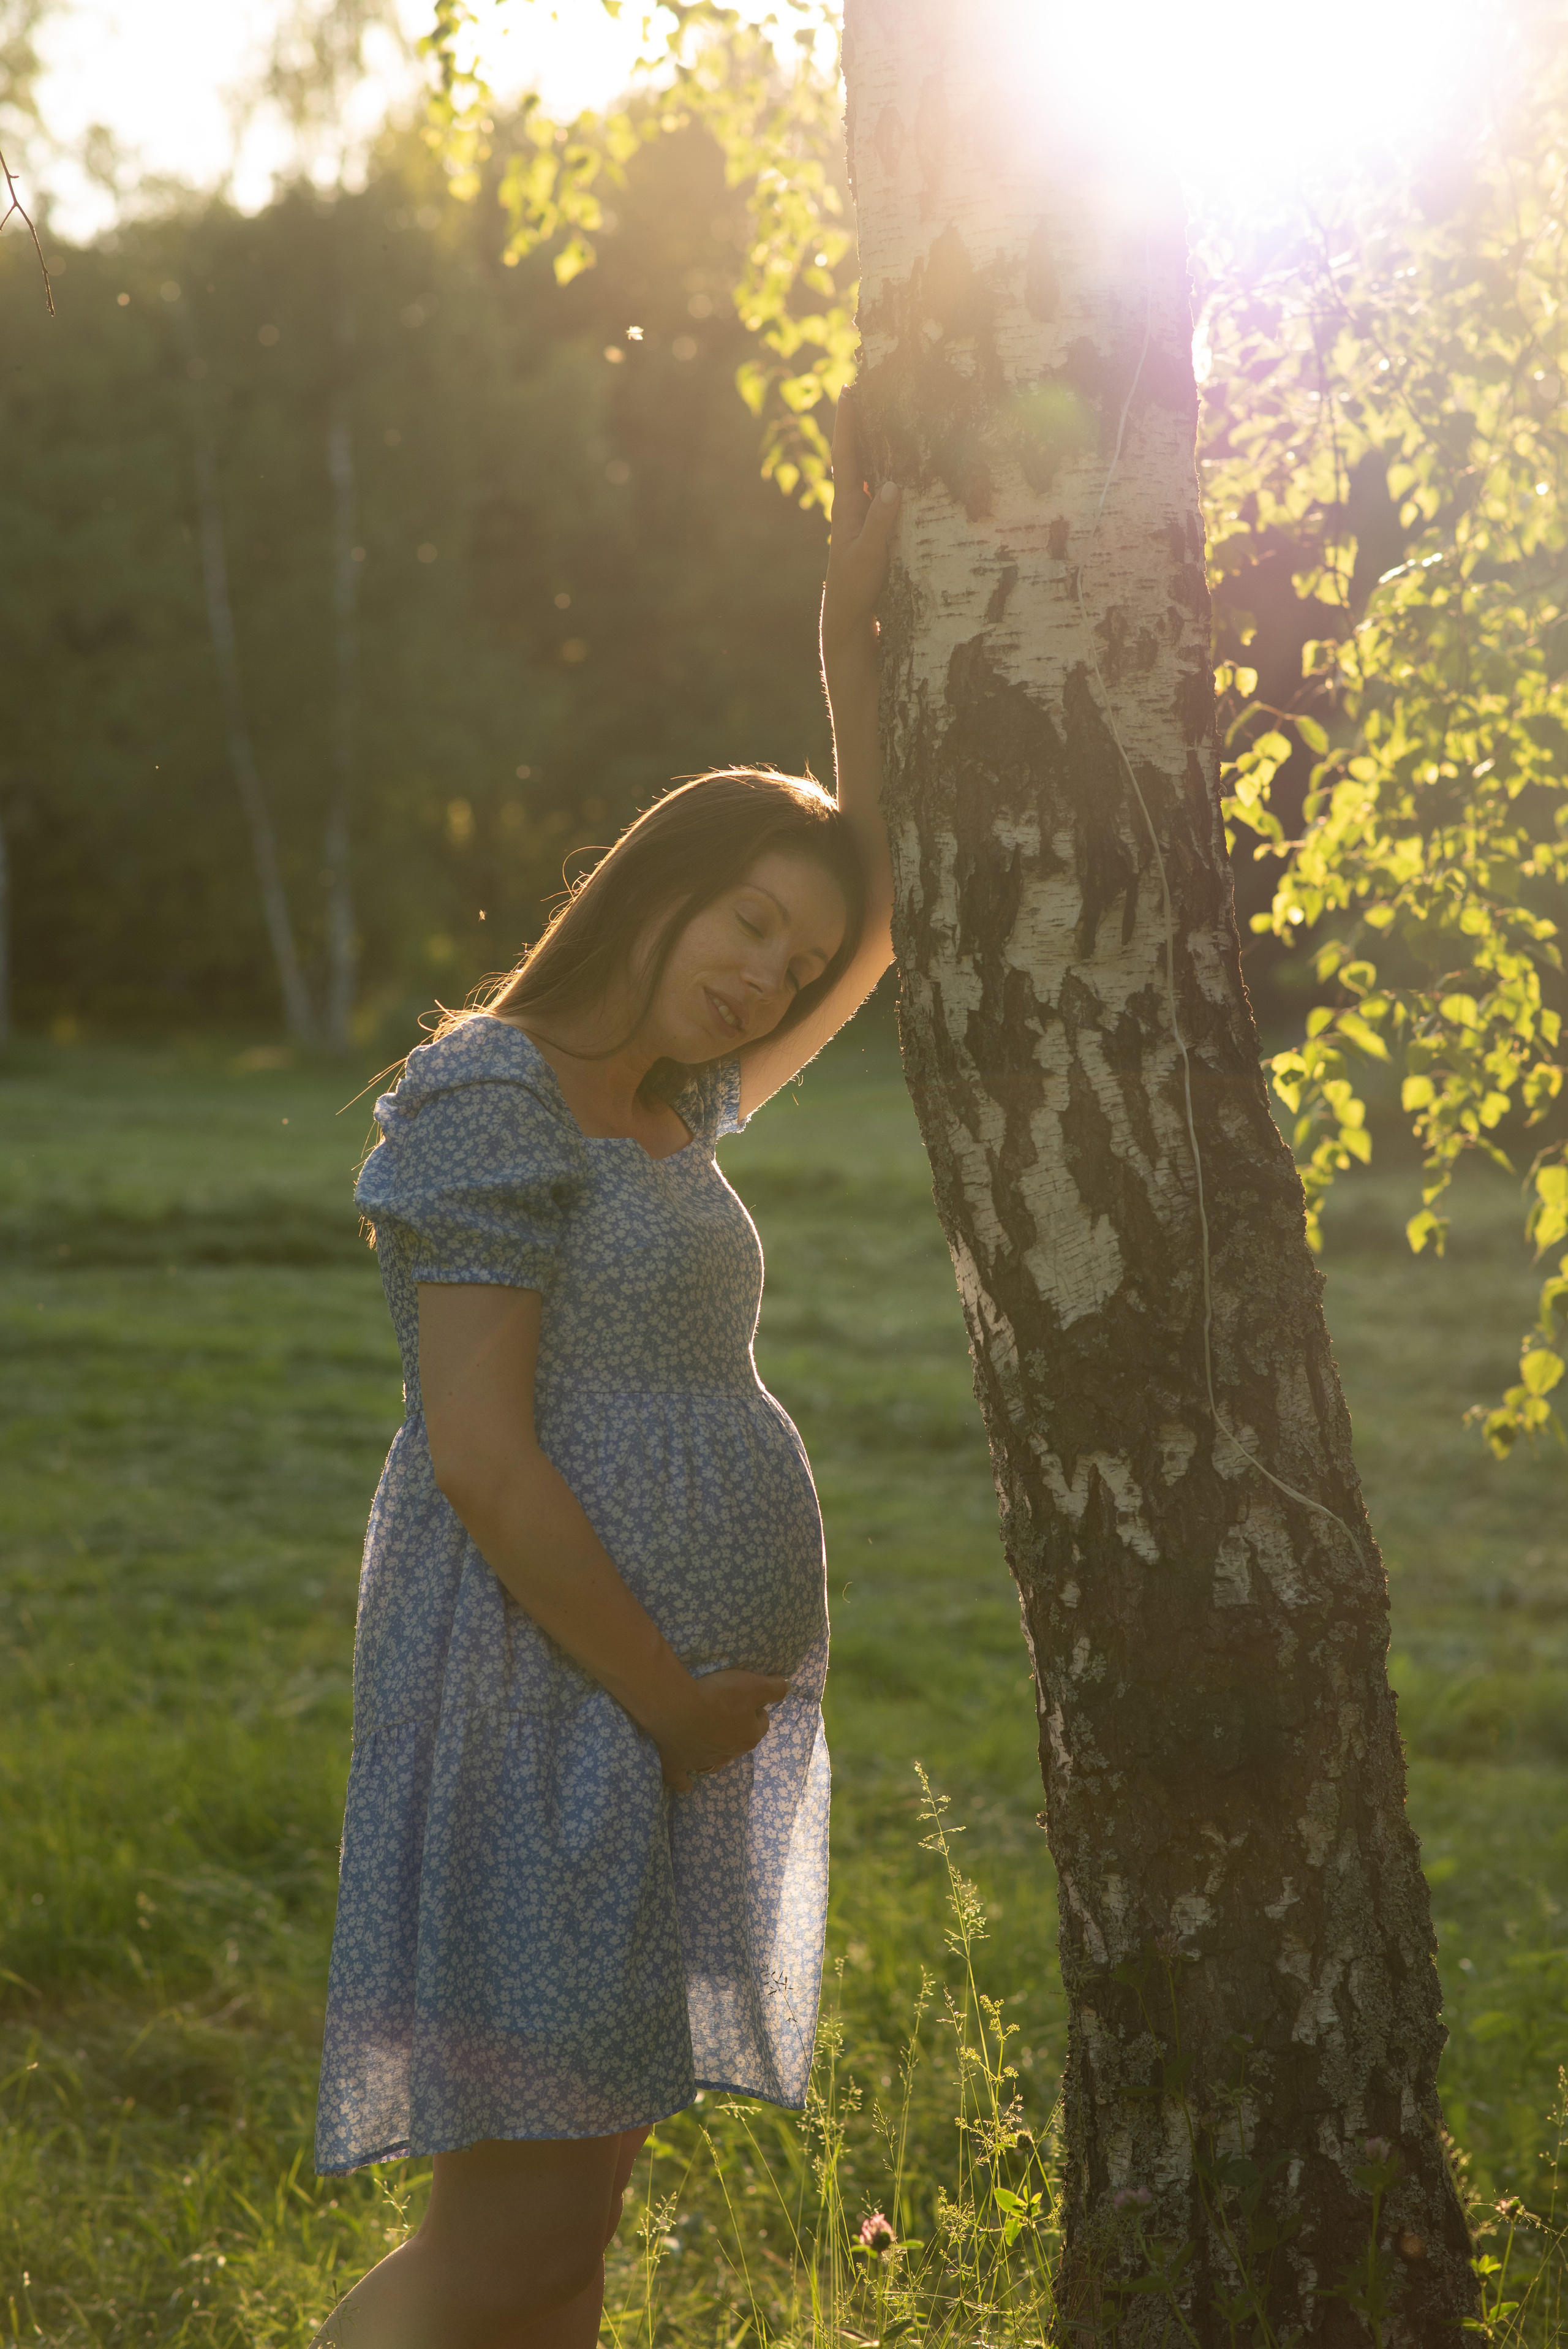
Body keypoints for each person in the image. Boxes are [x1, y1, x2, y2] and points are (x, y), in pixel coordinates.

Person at [311, 399, 900, 2348]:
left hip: (647, 1728)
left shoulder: (670, 1108)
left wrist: (879, 624)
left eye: (792, 963)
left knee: (567, 2253)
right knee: (504, 2245)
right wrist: (666, 1703)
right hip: (551, 1703)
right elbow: (477, 1453)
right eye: (749, 920)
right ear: (664, 879)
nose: (765, 976)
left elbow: (885, 913)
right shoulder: (494, 1091)